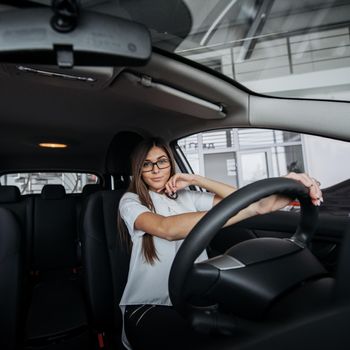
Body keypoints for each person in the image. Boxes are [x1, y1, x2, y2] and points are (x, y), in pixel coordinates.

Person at [118, 137, 322, 350]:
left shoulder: (186, 196)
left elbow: (250, 203)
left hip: (191, 298)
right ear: (138, 169)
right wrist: (242, 211)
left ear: (170, 163)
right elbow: (166, 229)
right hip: (149, 305)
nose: (156, 169)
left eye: (162, 161)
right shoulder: (131, 201)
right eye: (147, 164)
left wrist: (197, 180)